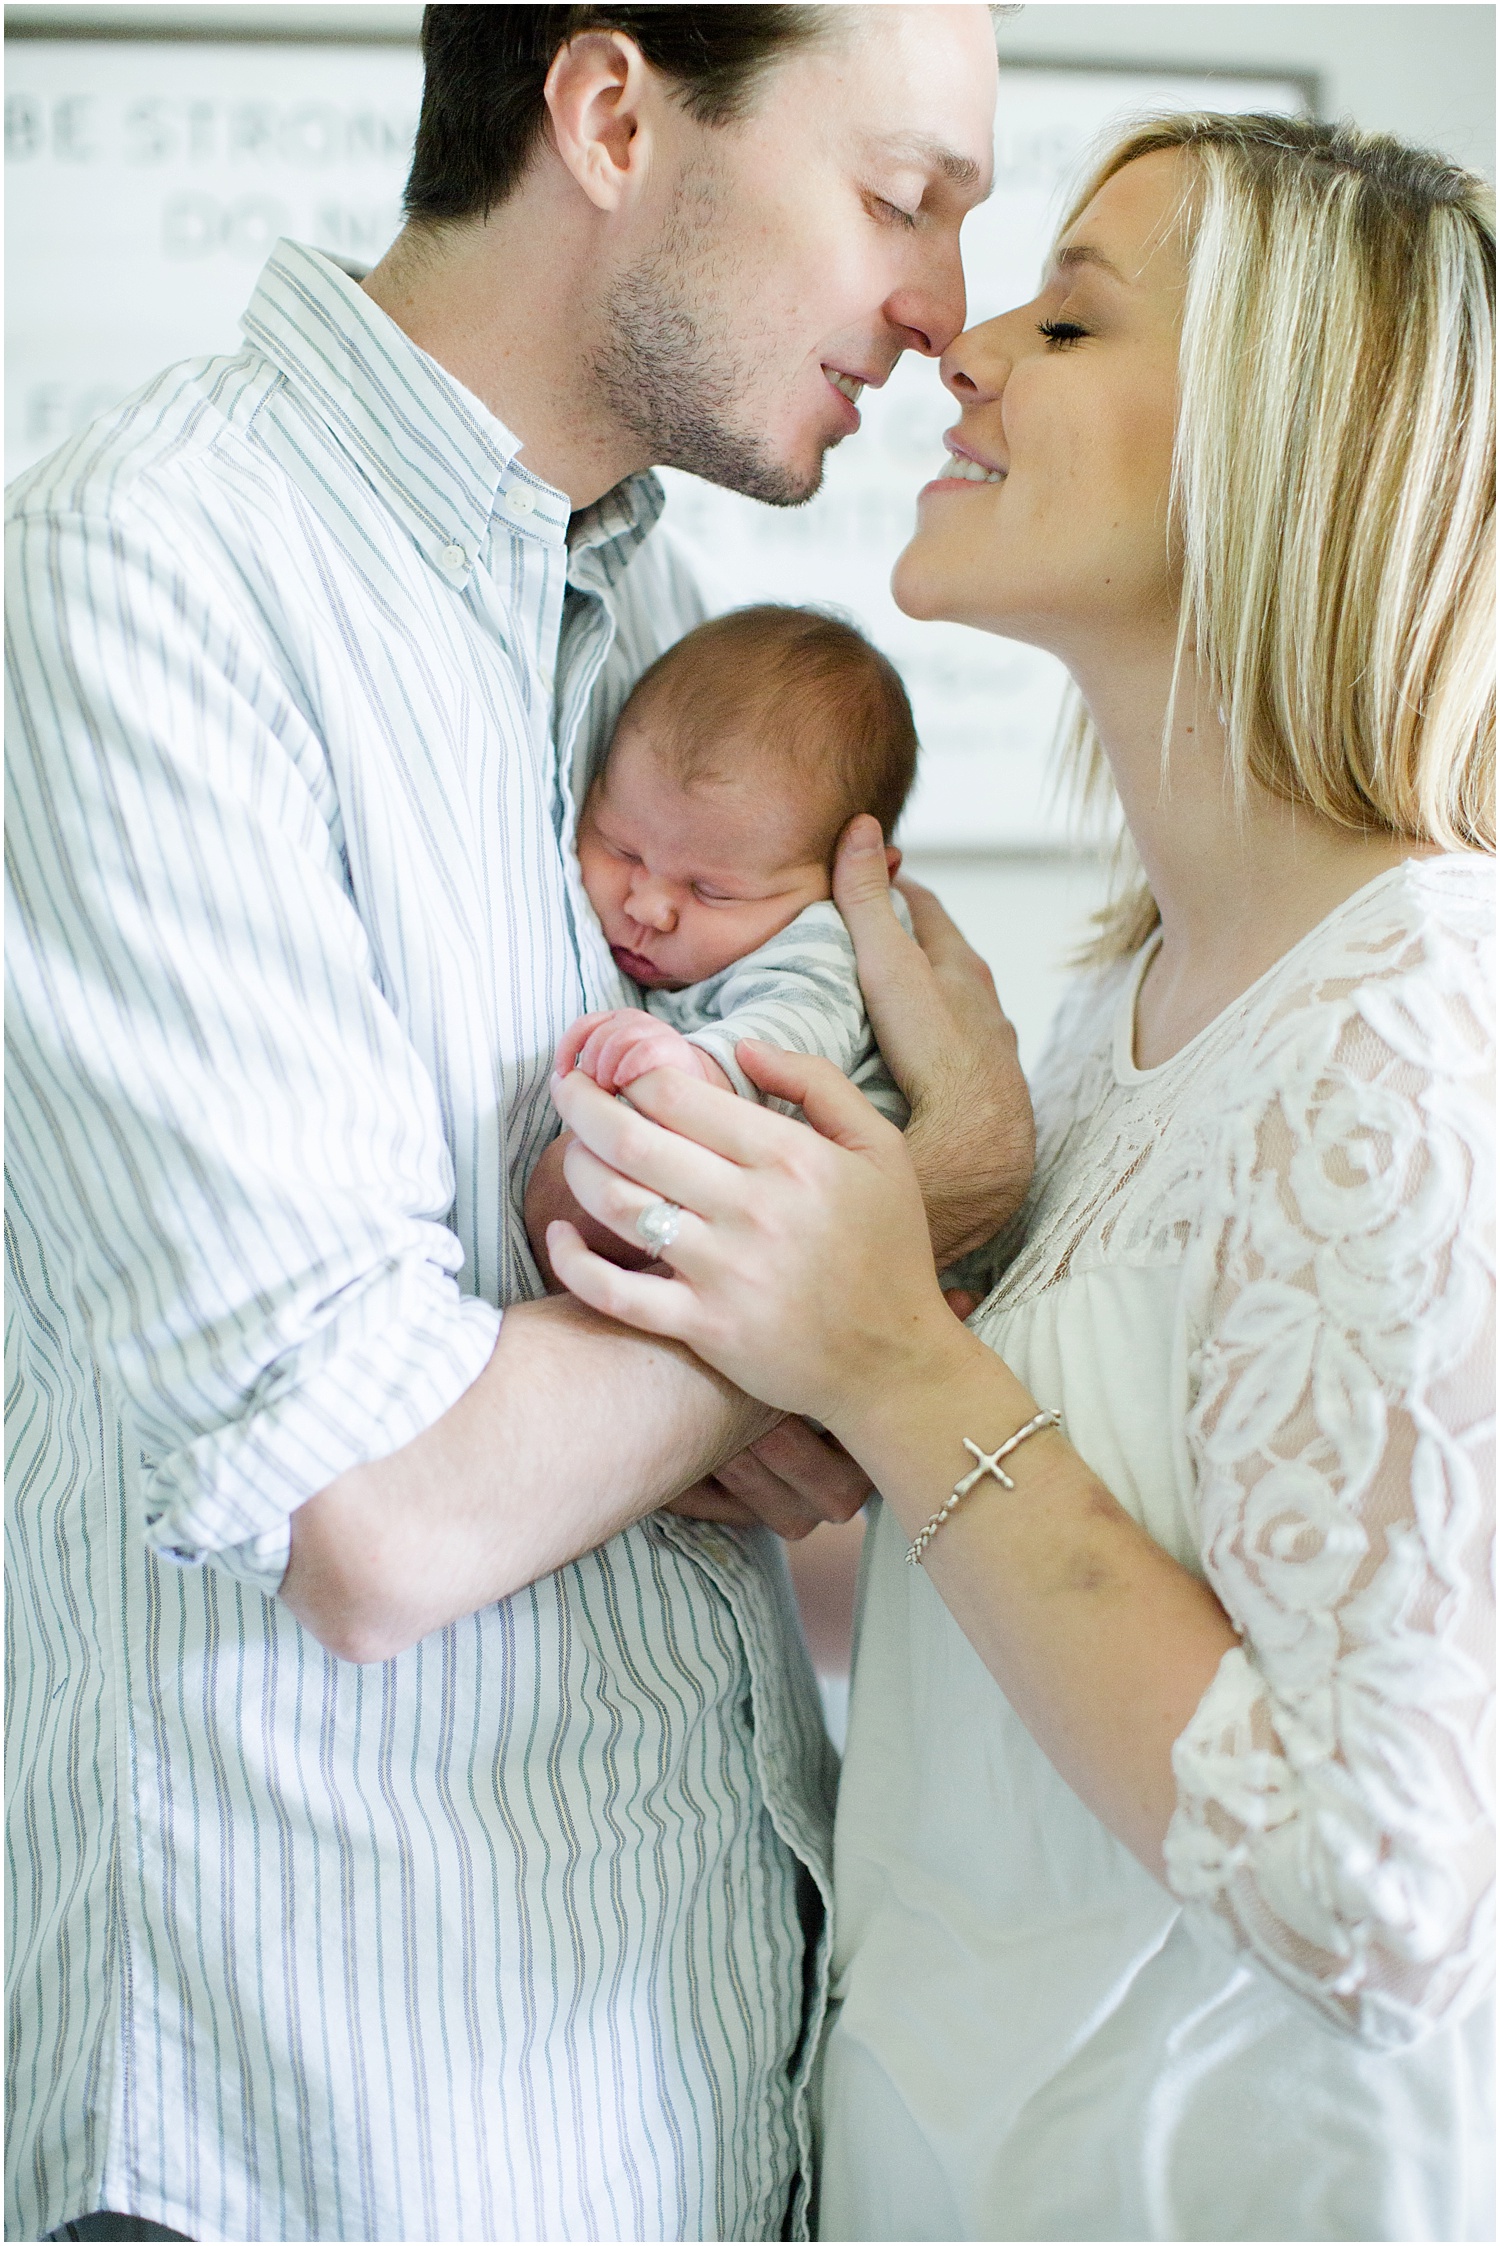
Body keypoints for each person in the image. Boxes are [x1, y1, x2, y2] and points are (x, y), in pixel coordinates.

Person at [5, 9, 1025, 2242]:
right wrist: (894, 1236)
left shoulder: (648, 621)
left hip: (672, 2107)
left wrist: (808, 1341)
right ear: (611, 114)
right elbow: (374, 1516)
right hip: (336, 2159)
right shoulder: (149, 575)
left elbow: (745, 1408)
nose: (945, 306)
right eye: (899, 195)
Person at [546, 113, 1496, 2241]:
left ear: (1294, 448)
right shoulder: (1123, 1008)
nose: (963, 345)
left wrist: (897, 1362)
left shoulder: (1421, 1025)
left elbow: (1381, 1889)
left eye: (1072, 317)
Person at [555, 603, 918, 1116]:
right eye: (622, 848)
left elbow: (799, 1026)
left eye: (712, 891)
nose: (647, 909)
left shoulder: (824, 942)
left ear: (853, 879)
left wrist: (698, 1069)